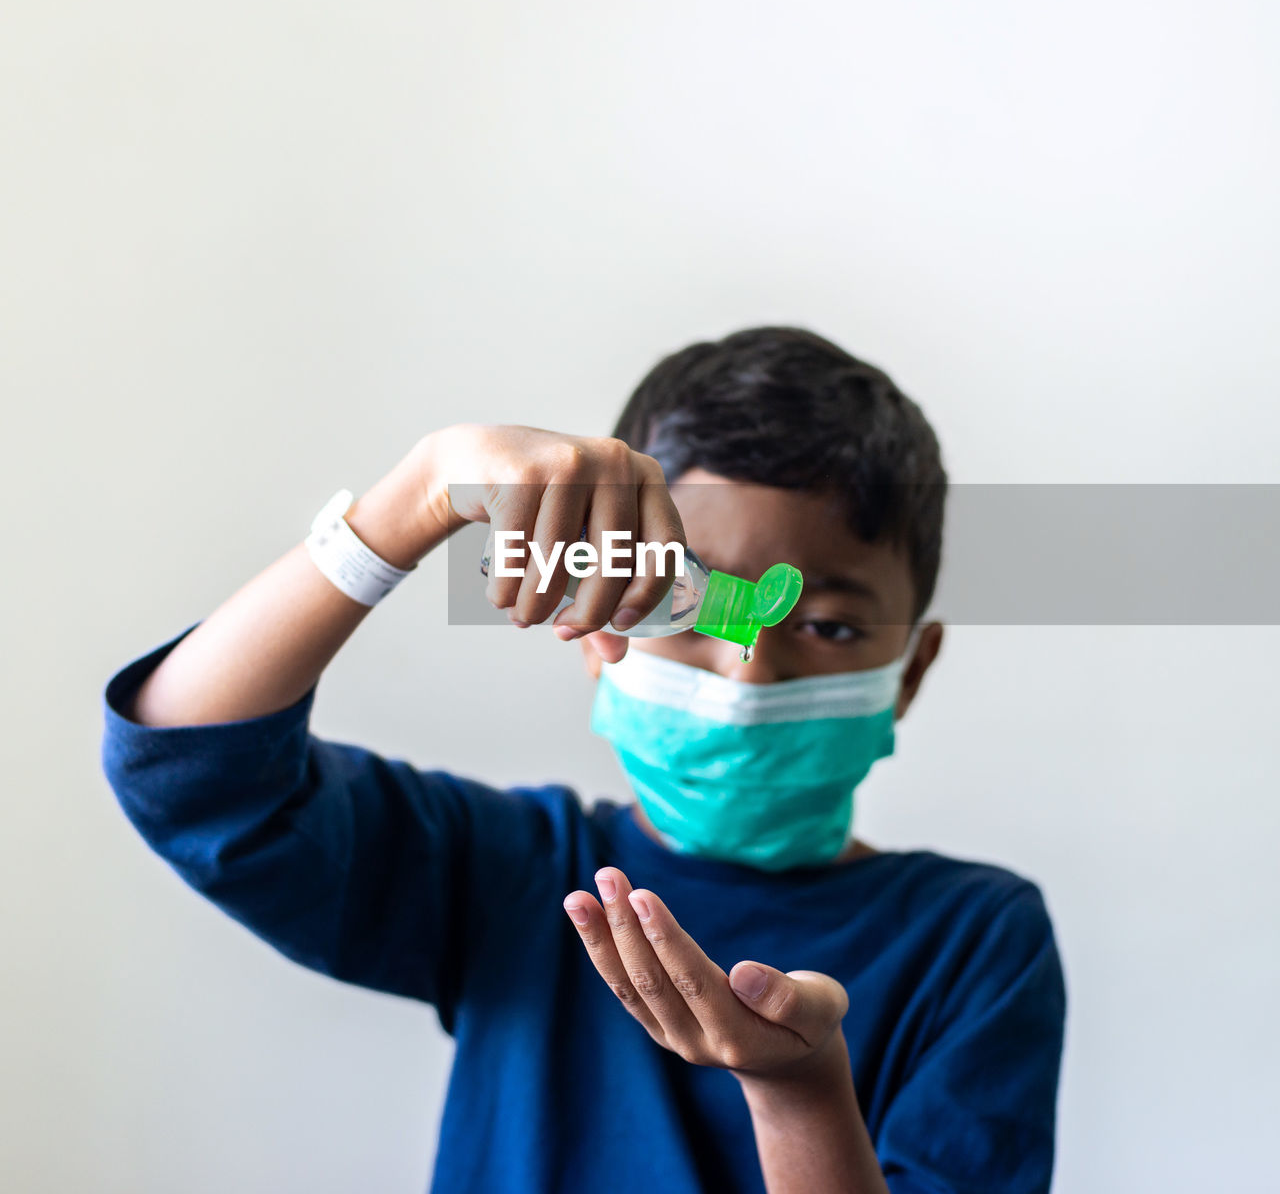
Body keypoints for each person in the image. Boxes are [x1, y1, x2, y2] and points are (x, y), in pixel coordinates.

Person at [100, 325, 1066, 1193]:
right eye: (690, 606)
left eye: (826, 625)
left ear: (911, 669)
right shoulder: (510, 871)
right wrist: (413, 502)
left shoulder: (977, 940)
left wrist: (800, 1094)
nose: (748, 668)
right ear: (601, 627)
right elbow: (186, 764)